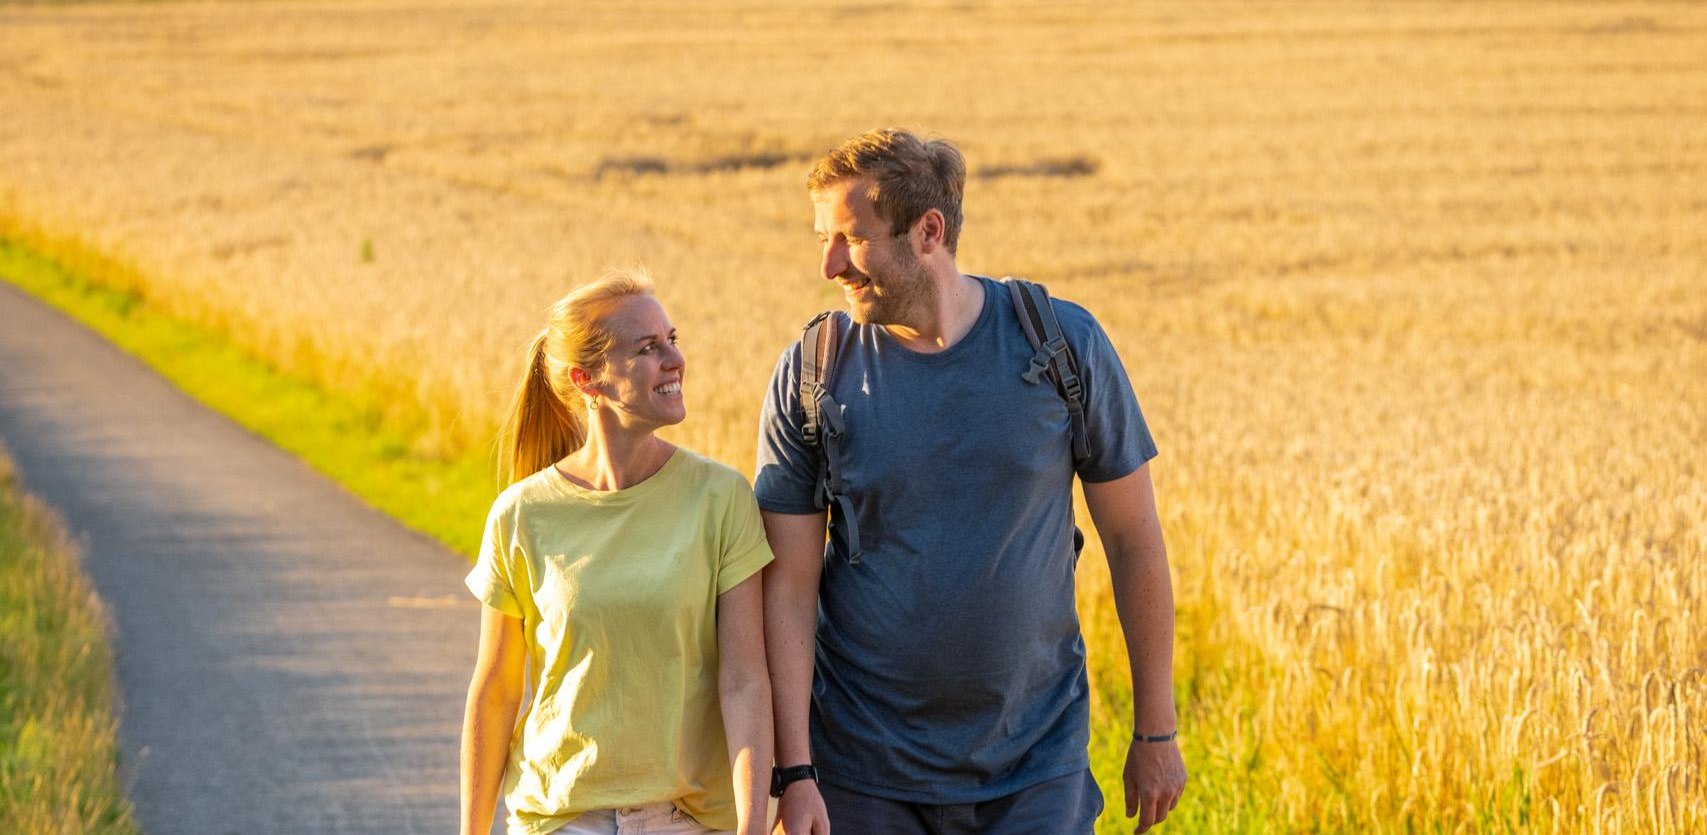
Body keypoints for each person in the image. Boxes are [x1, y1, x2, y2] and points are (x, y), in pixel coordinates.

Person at [756, 129, 1187, 835]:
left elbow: (1134, 542)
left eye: (851, 239)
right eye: (822, 239)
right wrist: (795, 773)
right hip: (861, 773)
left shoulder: (1061, 345)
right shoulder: (812, 373)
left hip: (1036, 766)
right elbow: (788, 589)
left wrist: (1156, 732)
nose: (829, 264)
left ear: (929, 232)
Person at [460, 270, 774, 835]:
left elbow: (744, 680)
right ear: (588, 380)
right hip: (557, 819)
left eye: (672, 340)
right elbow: (496, 692)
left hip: (686, 820)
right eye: (648, 348)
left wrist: (753, 826)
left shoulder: (721, 498)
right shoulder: (521, 514)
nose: (675, 360)